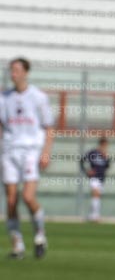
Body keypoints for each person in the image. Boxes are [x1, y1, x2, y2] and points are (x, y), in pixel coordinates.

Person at [0, 57, 54, 259]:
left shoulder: (38, 97)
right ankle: (18, 245)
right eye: (11, 70)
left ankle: (40, 235)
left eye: (16, 70)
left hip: (31, 151)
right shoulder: (4, 98)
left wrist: (46, 152)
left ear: (26, 72)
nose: (13, 73)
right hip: (9, 150)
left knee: (28, 197)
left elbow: (49, 127)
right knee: (11, 200)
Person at [80, 137, 111, 222]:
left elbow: (107, 166)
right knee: (96, 194)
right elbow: (82, 160)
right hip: (94, 178)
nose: (105, 147)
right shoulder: (93, 152)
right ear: (101, 144)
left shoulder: (105, 155)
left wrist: (106, 158)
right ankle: (95, 216)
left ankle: (93, 215)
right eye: (104, 145)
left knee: (97, 197)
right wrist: (86, 171)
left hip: (102, 178)